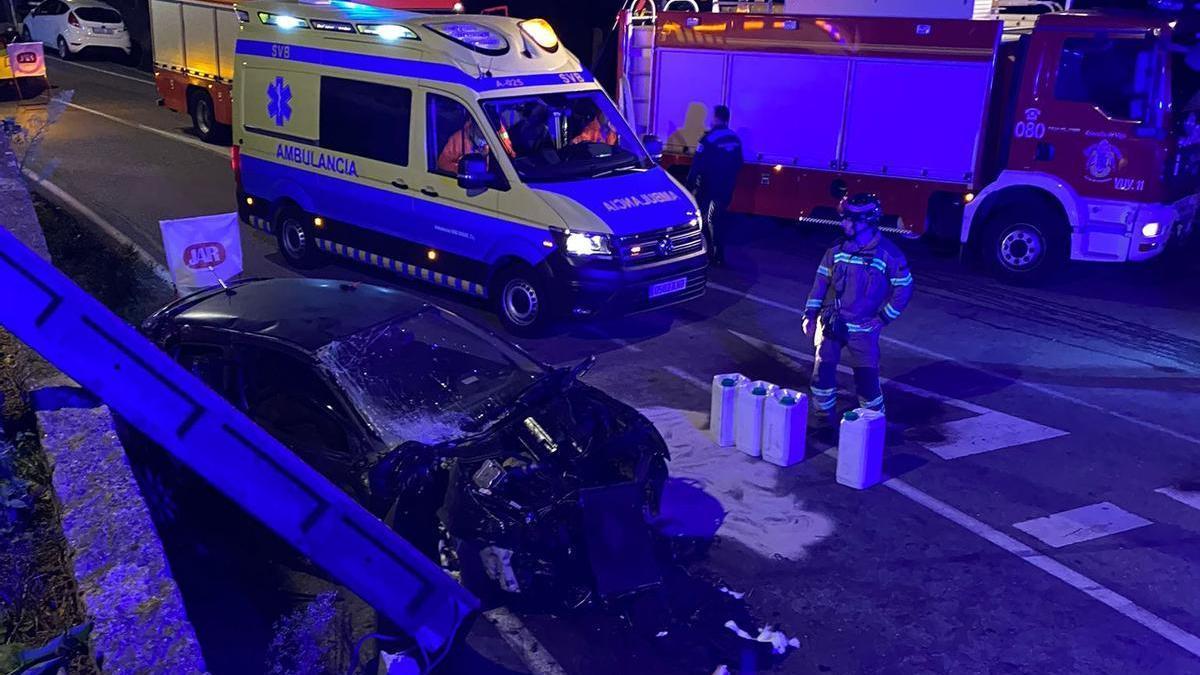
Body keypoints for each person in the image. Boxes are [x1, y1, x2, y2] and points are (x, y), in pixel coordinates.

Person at [802, 193, 914, 423]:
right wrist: (810, 316)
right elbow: (820, 285)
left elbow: (904, 289)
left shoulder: (888, 255)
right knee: (822, 376)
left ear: (866, 222)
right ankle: (823, 419)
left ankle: (872, 424)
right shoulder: (836, 250)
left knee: (867, 383)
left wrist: (882, 319)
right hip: (831, 325)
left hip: (863, 331)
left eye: (848, 219)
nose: (843, 223)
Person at [686, 105, 742, 266]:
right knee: (719, 219)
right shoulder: (734, 138)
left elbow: (697, 165)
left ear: (716, 118)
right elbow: (739, 163)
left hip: (710, 188)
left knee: (708, 220)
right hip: (727, 188)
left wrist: (689, 188)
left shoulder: (709, 139)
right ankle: (718, 253)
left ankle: (713, 255)